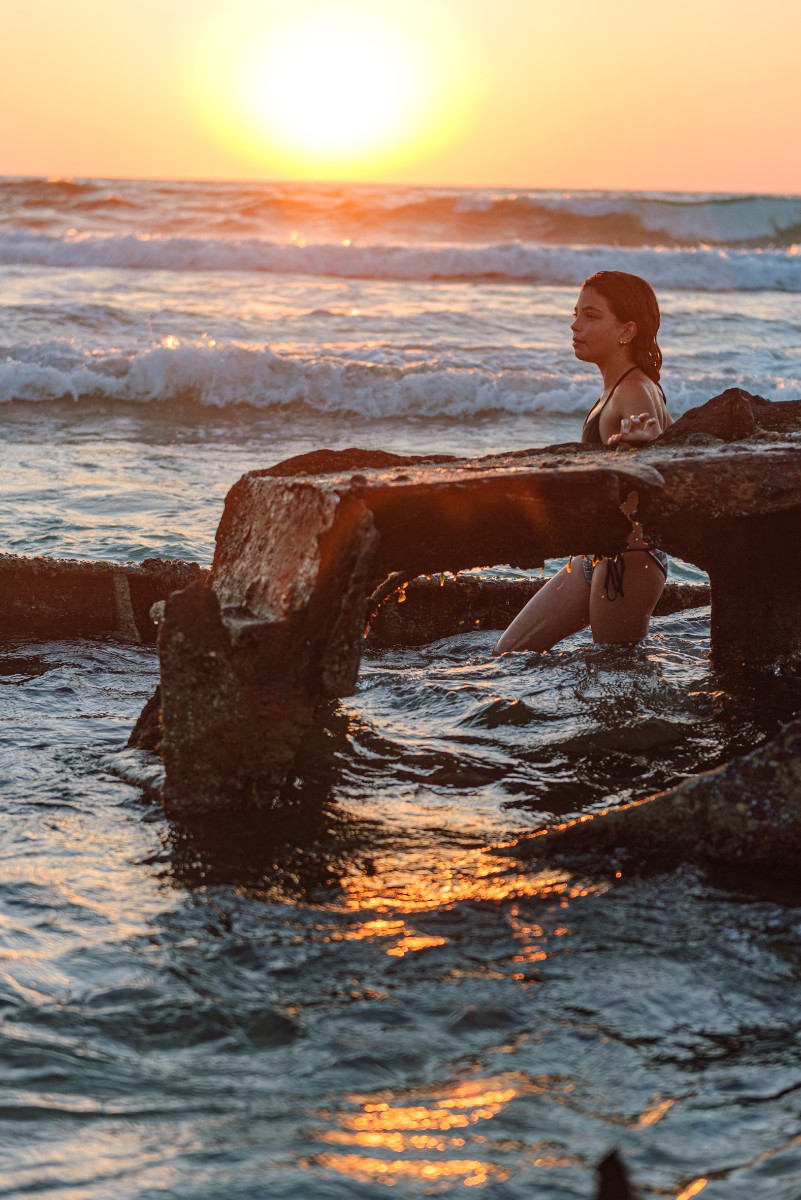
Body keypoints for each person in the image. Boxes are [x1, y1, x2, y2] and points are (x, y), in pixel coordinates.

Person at [493, 270, 673, 656]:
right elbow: (682, 445)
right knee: (509, 651)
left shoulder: (634, 391)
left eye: (591, 316)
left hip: (630, 561)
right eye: (576, 314)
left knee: (617, 679)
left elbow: (664, 464)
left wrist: (645, 448)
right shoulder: (619, 385)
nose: (575, 325)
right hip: (595, 557)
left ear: (627, 330)